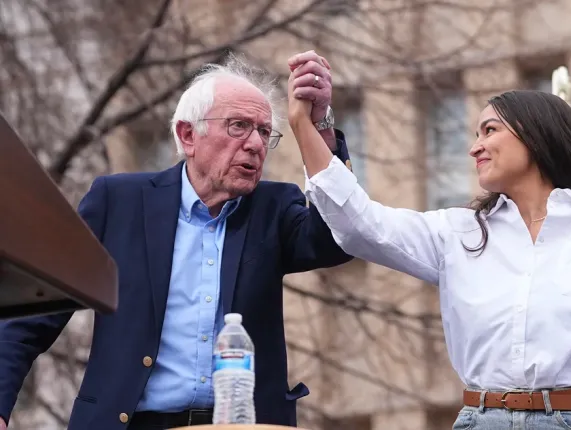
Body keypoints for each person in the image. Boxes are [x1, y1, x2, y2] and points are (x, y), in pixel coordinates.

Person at [286, 60, 571, 430]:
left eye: (490, 130)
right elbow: (358, 224)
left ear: (536, 137)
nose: (474, 146)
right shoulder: (457, 233)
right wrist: (308, 125)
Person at [0, 51, 351, 430]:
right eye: (238, 126)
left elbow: (338, 237)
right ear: (188, 135)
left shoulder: (274, 208)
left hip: (240, 424)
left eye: (265, 132)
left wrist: (320, 127)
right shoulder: (118, 203)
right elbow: (34, 316)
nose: (255, 144)